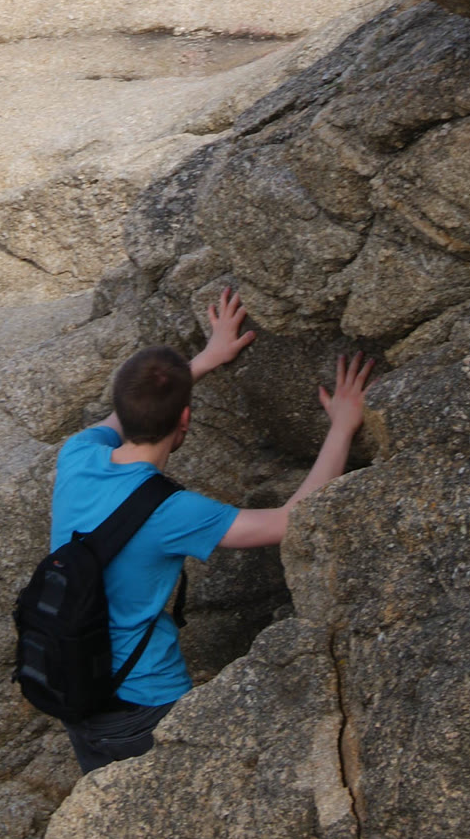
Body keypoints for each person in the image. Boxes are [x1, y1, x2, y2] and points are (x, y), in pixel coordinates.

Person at [49, 287, 373, 772]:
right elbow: (290, 520)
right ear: (185, 418)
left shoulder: (77, 454)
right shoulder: (169, 511)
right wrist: (342, 427)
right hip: (147, 704)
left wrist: (204, 359)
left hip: (75, 691)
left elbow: (125, 412)